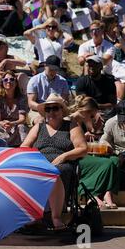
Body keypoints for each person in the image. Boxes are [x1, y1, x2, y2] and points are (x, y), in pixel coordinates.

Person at [21, 93, 88, 231]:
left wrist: (63, 156)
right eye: (48, 109)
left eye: (55, 108)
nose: (51, 112)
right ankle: (34, 215)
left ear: (62, 110)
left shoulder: (71, 126)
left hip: (63, 164)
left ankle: (56, 217)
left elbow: (82, 149)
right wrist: (35, 160)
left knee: (55, 172)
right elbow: (24, 146)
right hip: (40, 163)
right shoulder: (39, 127)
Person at [69, 95, 119, 209]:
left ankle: (108, 193)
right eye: (91, 115)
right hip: (74, 157)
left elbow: (90, 133)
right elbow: (66, 144)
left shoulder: (80, 121)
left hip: (82, 153)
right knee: (107, 163)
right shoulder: (70, 120)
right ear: (85, 111)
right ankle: (92, 193)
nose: (92, 118)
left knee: (115, 160)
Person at [27, 55, 70, 125]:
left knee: (68, 121)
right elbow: (31, 103)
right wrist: (44, 109)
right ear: (45, 66)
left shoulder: (63, 81)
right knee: (40, 121)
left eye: (55, 70)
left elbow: (65, 100)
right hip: (37, 110)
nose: (53, 72)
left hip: (56, 109)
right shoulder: (34, 80)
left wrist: (63, 104)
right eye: (51, 69)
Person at [0, 70, 28, 147]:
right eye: (5, 80)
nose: (8, 82)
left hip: (17, 124)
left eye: (12, 79)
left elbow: (22, 118)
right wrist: (3, 123)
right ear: (2, 83)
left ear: (16, 82)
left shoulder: (22, 98)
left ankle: (24, 149)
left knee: (21, 127)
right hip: (3, 124)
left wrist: (12, 123)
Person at [75, 55, 117, 120]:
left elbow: (112, 103)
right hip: (86, 110)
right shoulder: (82, 81)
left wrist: (98, 107)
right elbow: (82, 102)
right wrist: (95, 110)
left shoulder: (109, 82)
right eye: (89, 65)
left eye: (94, 65)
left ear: (101, 67)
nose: (91, 67)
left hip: (104, 111)